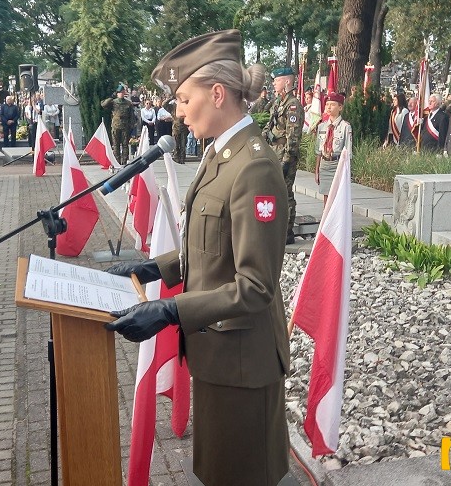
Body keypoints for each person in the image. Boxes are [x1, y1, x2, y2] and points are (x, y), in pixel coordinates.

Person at [106, 29, 291, 486]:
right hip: (217, 353)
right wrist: (154, 267)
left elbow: (256, 286)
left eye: (185, 99)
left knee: (240, 475)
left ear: (218, 94)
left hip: (242, 363)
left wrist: (170, 309)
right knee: (218, 471)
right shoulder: (219, 154)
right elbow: (210, 246)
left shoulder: (254, 167)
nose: (179, 112)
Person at [262, 66, 304, 244]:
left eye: (277, 80)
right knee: (273, 191)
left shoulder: (293, 105)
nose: (274, 83)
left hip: (285, 155)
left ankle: (287, 231)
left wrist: (287, 160)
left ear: (287, 81)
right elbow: (270, 125)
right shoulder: (279, 102)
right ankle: (276, 228)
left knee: (285, 193)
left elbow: (293, 136)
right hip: (274, 153)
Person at [315, 92, 352, 204]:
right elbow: (318, 151)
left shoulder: (345, 127)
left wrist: (346, 173)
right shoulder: (322, 126)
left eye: (332, 104)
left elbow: (348, 153)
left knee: (336, 197)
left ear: (340, 107)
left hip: (337, 164)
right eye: (327, 104)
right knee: (326, 197)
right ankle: (326, 215)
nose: (329, 107)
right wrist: (317, 170)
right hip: (324, 164)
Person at [101, 84, 135, 165]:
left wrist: (131, 126)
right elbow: (103, 104)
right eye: (120, 92)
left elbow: (132, 116)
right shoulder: (113, 102)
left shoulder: (128, 103)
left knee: (125, 145)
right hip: (116, 126)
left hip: (125, 126)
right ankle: (117, 162)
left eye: (123, 92)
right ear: (117, 93)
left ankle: (124, 161)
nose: (121, 94)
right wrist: (111, 97)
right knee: (116, 145)